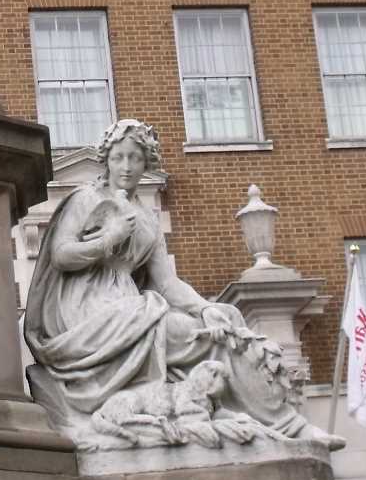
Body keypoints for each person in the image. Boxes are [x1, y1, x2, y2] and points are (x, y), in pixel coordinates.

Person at [23, 119, 342, 449]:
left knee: (225, 327)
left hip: (131, 306)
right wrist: (109, 238)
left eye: (135, 158)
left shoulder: (146, 218)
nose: (127, 167)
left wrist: (205, 309)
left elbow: (167, 282)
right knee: (188, 333)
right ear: (107, 159)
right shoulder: (86, 198)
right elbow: (61, 255)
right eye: (119, 157)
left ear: (147, 162)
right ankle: (285, 427)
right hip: (88, 309)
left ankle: (286, 426)